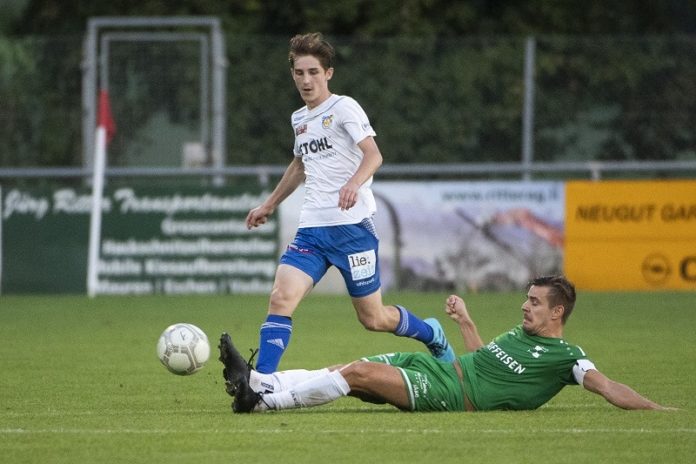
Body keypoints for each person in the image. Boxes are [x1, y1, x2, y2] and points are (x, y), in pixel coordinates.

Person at [243, 32, 454, 374]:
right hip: (312, 231)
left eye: (313, 72)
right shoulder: (299, 119)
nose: (306, 80)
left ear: (328, 73)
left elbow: (373, 155)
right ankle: (260, 384)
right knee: (281, 298)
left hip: (352, 230)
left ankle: (432, 333)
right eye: (299, 73)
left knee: (373, 318)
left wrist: (353, 184)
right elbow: (299, 165)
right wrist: (269, 204)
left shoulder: (344, 107)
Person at [219, 275, 671, 413]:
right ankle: (257, 380)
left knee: (356, 375)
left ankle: (262, 403)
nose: (524, 306)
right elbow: (482, 359)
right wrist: (467, 321)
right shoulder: (520, 336)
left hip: (452, 393)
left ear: (558, 313)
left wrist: (657, 409)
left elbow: (607, 387)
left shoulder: (567, 358)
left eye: (534, 302)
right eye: (526, 298)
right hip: (438, 370)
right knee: (344, 367)